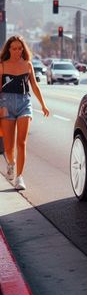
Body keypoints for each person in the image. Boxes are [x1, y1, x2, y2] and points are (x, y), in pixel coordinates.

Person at [0, 35, 49, 190]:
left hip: (24, 104)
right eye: (14, 48)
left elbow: (34, 86)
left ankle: (19, 177)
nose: (17, 51)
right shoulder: (2, 65)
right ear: (9, 49)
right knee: (8, 146)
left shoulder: (27, 65)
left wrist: (43, 105)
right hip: (5, 105)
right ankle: (11, 163)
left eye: (20, 48)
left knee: (21, 142)